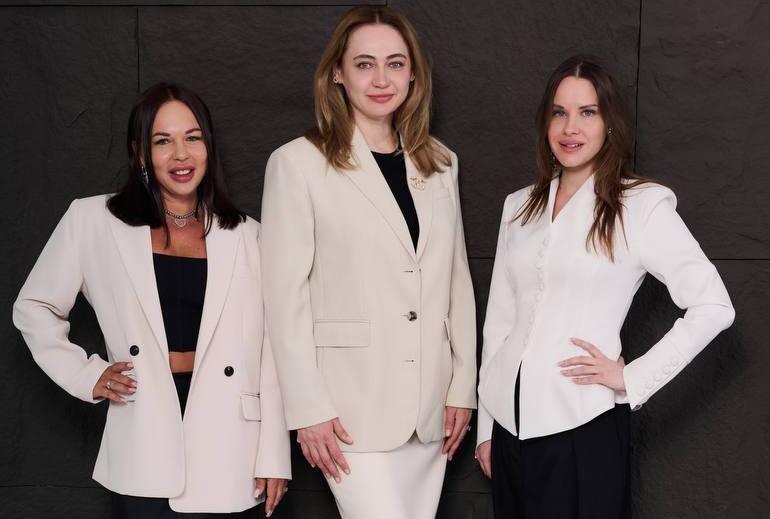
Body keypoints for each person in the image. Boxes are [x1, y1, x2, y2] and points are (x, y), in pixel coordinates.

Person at [13, 83, 290, 518]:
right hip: (143, 429)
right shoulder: (93, 220)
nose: (181, 154)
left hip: (232, 442)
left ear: (208, 147)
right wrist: (87, 374)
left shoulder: (248, 235)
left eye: (192, 138)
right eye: (162, 141)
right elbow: (34, 306)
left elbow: (273, 349)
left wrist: (274, 454)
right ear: (140, 154)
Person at [475, 55, 735, 518]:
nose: (570, 128)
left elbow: (714, 306)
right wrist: (486, 429)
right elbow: (500, 321)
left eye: (587, 112)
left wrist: (631, 379)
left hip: (582, 426)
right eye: (559, 112)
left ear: (609, 122)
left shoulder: (640, 205)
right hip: (508, 431)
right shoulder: (518, 207)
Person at [260, 6, 476, 518]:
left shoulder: (441, 163)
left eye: (395, 64)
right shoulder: (297, 164)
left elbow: (456, 282)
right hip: (347, 409)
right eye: (364, 64)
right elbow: (283, 298)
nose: (381, 79)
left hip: (430, 409)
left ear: (413, 74)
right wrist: (307, 408)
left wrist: (462, 387)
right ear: (337, 72)